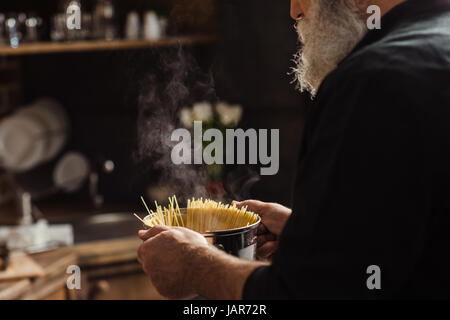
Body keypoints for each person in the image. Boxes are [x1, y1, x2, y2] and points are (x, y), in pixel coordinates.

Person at [138, 0, 450, 299]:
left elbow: (309, 294)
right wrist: (314, 237)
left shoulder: (373, 79)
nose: (294, 11)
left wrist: (195, 265)